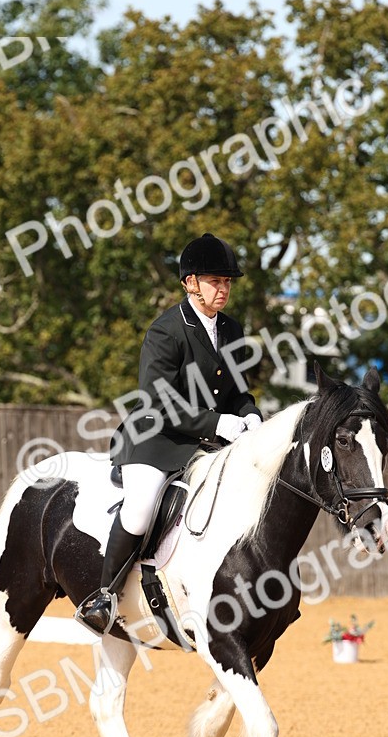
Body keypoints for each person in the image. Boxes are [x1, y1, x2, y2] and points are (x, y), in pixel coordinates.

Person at [75, 232, 263, 634]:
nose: (223, 289)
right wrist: (217, 423)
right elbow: (157, 401)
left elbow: (237, 392)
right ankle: (104, 597)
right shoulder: (166, 330)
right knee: (141, 507)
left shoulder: (232, 330)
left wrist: (250, 415)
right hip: (155, 437)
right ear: (190, 283)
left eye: (227, 282)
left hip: (203, 441)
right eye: (215, 281)